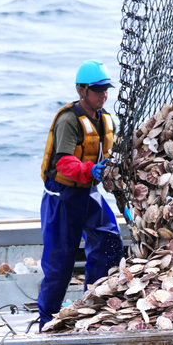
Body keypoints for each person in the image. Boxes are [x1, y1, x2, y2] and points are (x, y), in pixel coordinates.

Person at [37, 60, 124, 329]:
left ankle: (91, 305)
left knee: (110, 242)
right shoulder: (69, 120)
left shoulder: (105, 119)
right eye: (97, 89)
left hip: (89, 192)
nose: (103, 95)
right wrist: (90, 170)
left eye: (106, 89)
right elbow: (64, 163)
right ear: (81, 90)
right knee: (60, 262)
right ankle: (47, 321)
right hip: (62, 197)